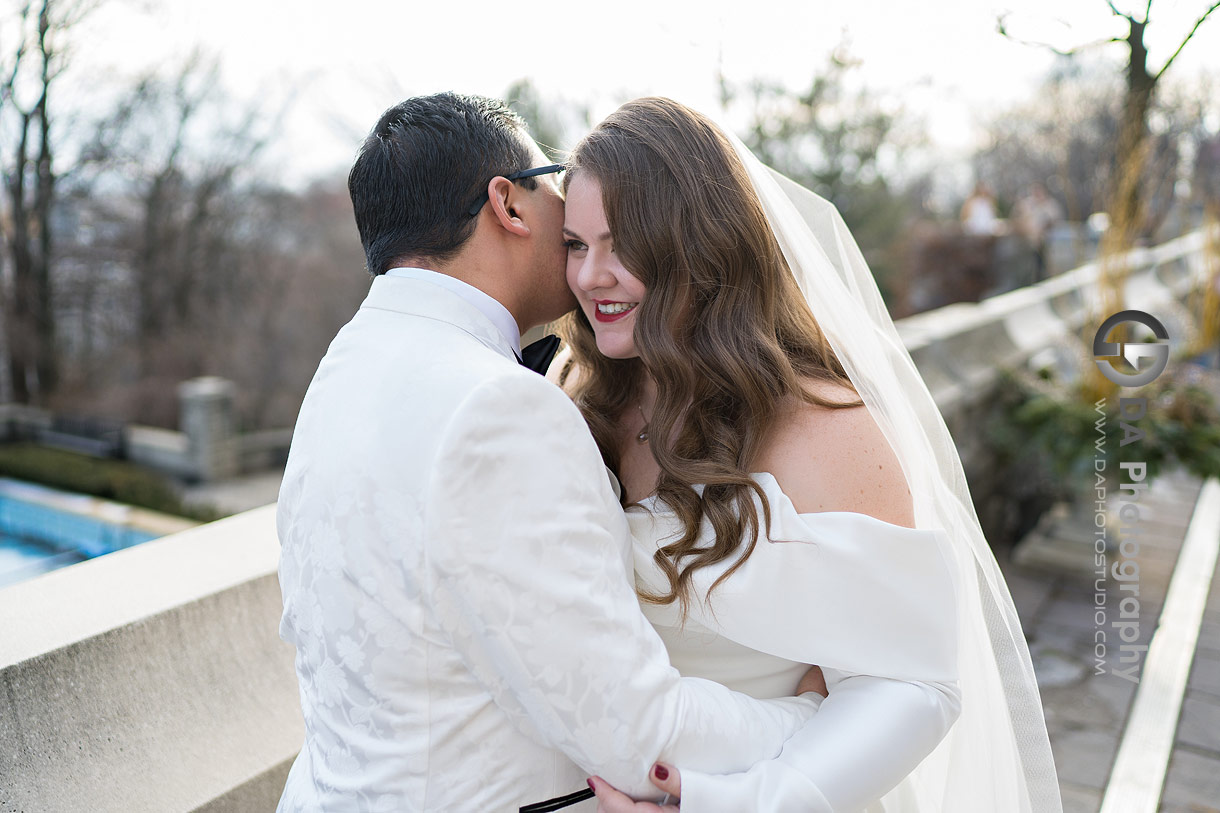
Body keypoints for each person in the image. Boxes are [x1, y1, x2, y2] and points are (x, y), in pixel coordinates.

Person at [273, 92, 828, 812]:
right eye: (556, 185)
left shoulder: (342, 368)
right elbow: (635, 731)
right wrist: (810, 719)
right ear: (508, 204)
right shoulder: (498, 407)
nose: (570, 216)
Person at [553, 98, 1063, 811]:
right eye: (576, 244)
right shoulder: (576, 394)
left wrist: (725, 803)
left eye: (622, 244)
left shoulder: (825, 424)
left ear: (700, 246)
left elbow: (909, 682)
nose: (591, 276)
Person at [1013, 182, 1063, 282]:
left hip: (1046, 241)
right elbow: (1018, 220)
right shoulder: (1027, 205)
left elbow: (1055, 221)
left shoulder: (1050, 205)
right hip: (1027, 241)